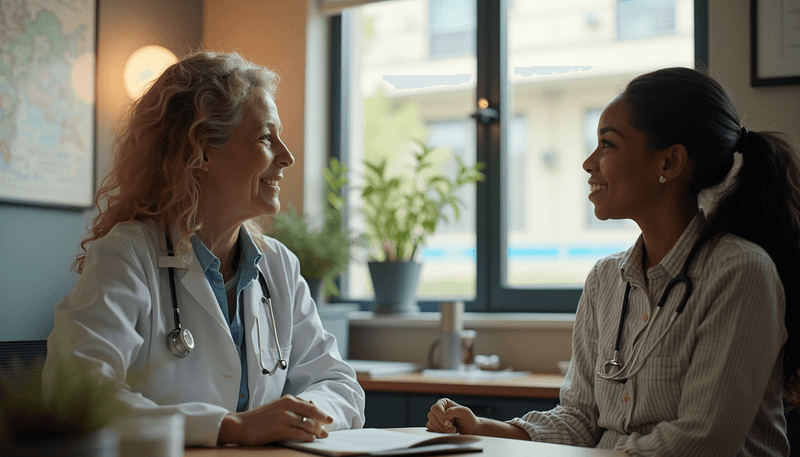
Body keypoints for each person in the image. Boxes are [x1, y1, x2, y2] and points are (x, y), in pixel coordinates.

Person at [426, 67, 800, 456]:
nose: (589, 163)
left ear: (669, 163)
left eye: (607, 144)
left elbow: (702, 441)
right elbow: (581, 419)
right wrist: (489, 429)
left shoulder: (739, 272)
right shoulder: (605, 279)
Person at [42, 50, 365, 447]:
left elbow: (339, 384)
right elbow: (75, 396)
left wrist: (302, 415)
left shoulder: (278, 265)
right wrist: (230, 427)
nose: (287, 156)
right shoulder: (128, 255)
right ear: (203, 149)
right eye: (266, 137)